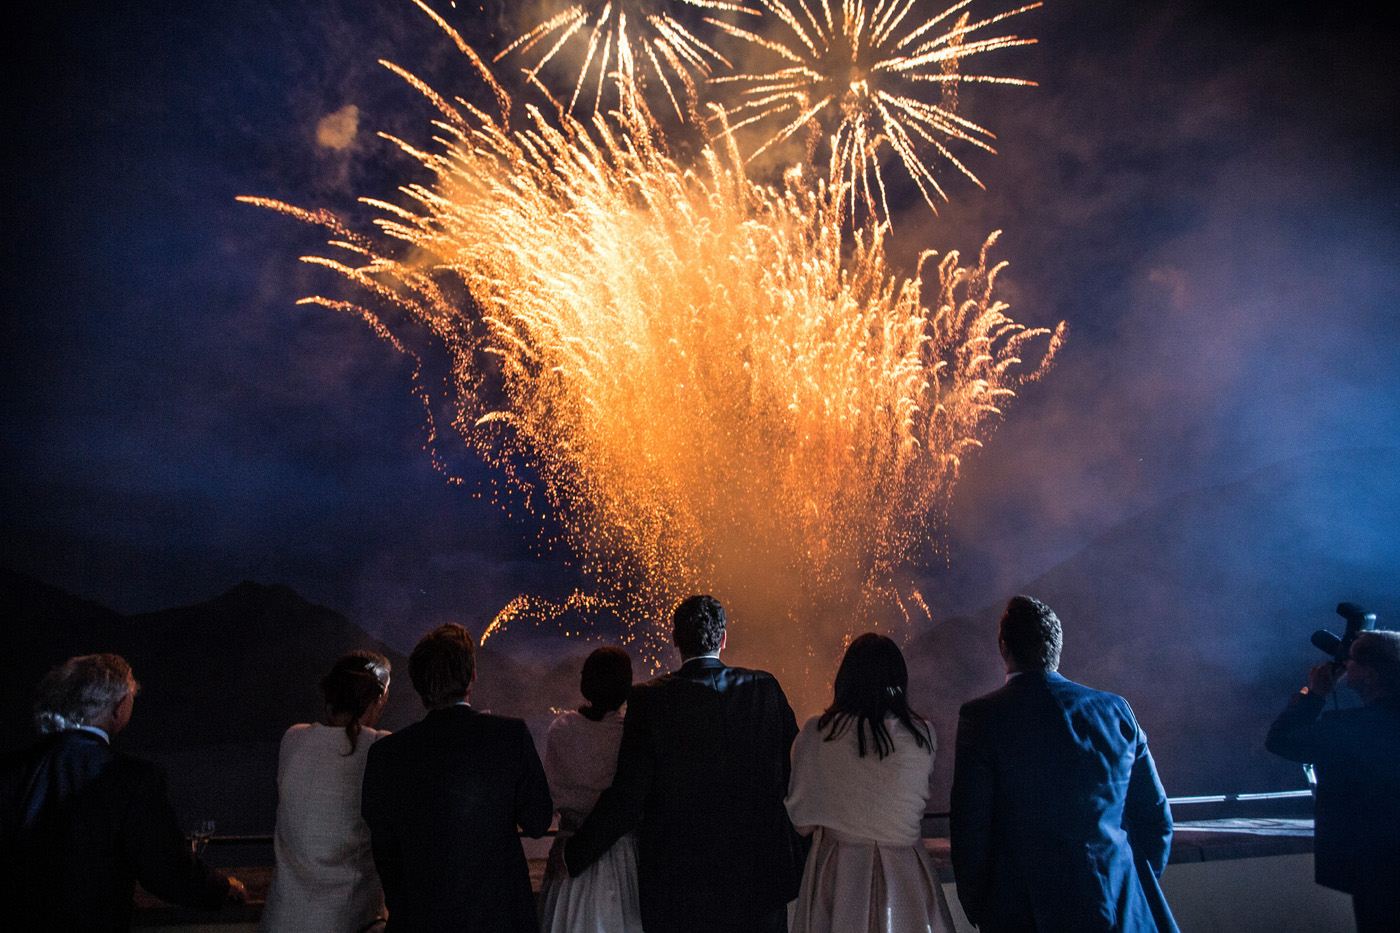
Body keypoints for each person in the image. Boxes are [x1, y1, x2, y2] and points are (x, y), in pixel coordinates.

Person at [564, 594, 805, 933]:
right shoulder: (764, 689)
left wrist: (574, 853)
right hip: (759, 880)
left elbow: (628, 797)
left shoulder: (649, 700)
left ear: (675, 638)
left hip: (680, 888)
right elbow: (798, 773)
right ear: (723, 638)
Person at [950, 596, 1177, 933]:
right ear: (1056, 646)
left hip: (1027, 915)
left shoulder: (982, 718)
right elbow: (1156, 817)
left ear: (1004, 648)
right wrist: (1126, 878)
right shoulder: (1116, 712)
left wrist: (982, 909)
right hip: (1120, 910)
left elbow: (971, 829)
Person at [0, 653, 246, 932]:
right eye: (131, 698)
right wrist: (221, 888)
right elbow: (166, 868)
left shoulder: (11, 768)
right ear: (118, 707)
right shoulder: (130, 777)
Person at [360, 623, 552, 933]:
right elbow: (538, 821)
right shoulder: (509, 736)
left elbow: (385, 849)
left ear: (418, 684)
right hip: (500, 919)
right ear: (472, 676)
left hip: (421, 921)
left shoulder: (387, 755)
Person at [785, 633, 955, 933]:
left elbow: (801, 819)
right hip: (908, 876)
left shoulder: (817, 733)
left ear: (845, 679)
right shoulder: (922, 735)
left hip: (838, 877)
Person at [1265, 629, 1400, 933]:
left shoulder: (1349, 730)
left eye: (1352, 660)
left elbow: (1281, 740)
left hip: (1375, 868)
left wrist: (1315, 695)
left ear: (1371, 674)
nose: (1345, 666)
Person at [261, 651, 393, 933]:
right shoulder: (381, 748)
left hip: (280, 922)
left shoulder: (292, 738)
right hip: (345, 924)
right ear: (377, 699)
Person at [539, 646, 644, 933]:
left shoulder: (561, 730)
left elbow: (552, 792)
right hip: (622, 857)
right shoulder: (630, 735)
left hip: (568, 857)